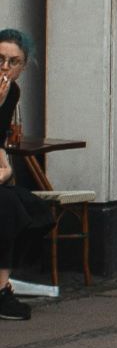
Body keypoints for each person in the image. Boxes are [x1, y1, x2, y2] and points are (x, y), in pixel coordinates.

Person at [0, 29, 55, 321]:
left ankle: (1, 285)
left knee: (32, 209)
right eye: (0, 60)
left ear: (23, 66)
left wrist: (5, 169)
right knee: (8, 206)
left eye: (13, 62)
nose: (5, 68)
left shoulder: (13, 92)